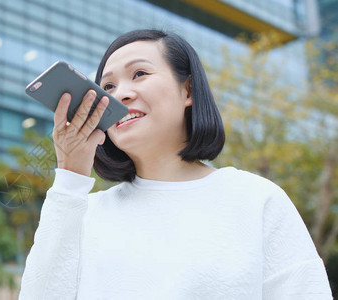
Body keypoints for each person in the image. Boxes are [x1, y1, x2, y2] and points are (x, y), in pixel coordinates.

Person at [18, 29, 332, 300]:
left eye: (139, 74)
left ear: (188, 90)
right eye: (108, 87)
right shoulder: (84, 212)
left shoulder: (255, 199)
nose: (121, 95)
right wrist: (70, 177)